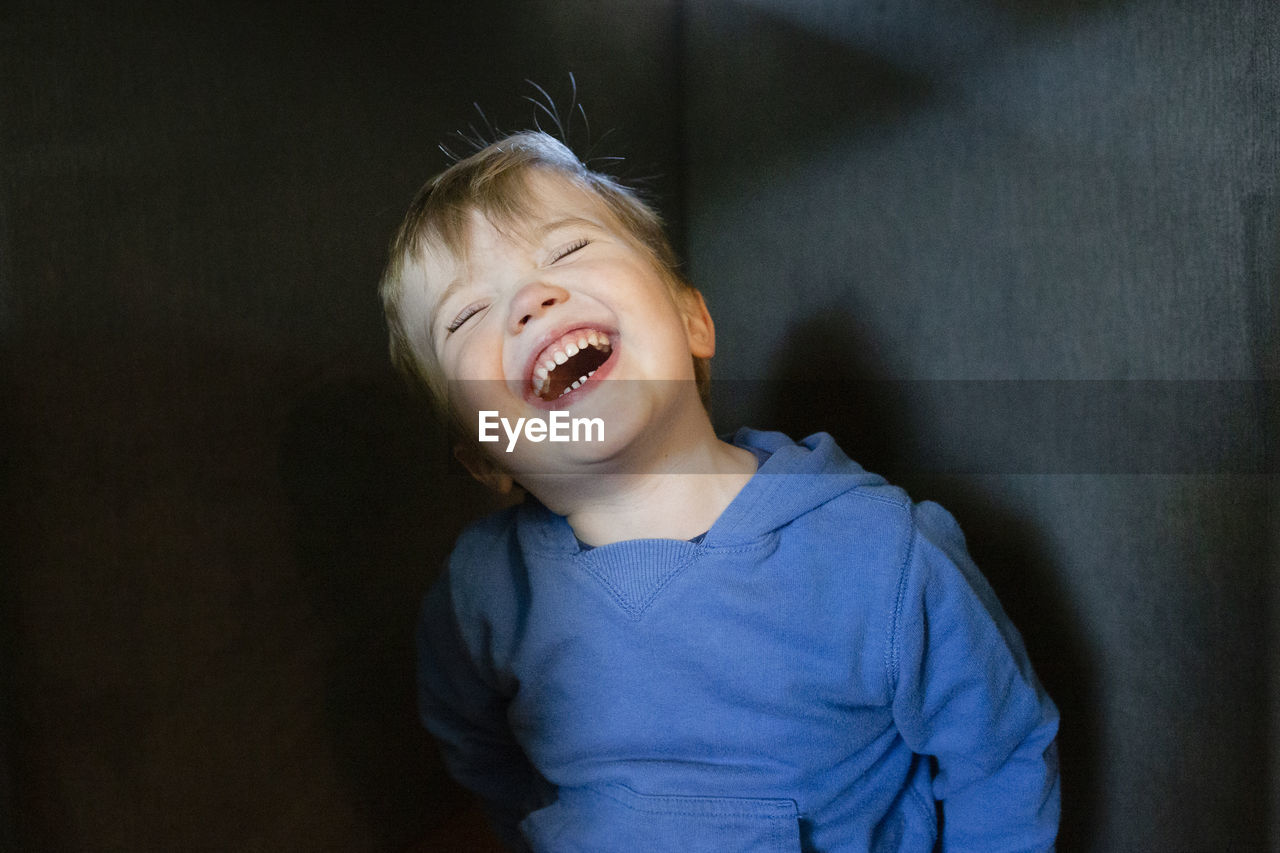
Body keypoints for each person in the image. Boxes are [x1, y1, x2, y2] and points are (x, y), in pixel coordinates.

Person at [379, 129, 1060, 852]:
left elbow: (1002, 754)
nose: (530, 300)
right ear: (486, 454)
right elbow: (475, 747)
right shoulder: (481, 595)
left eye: (567, 250)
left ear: (693, 321)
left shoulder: (878, 557)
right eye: (466, 315)